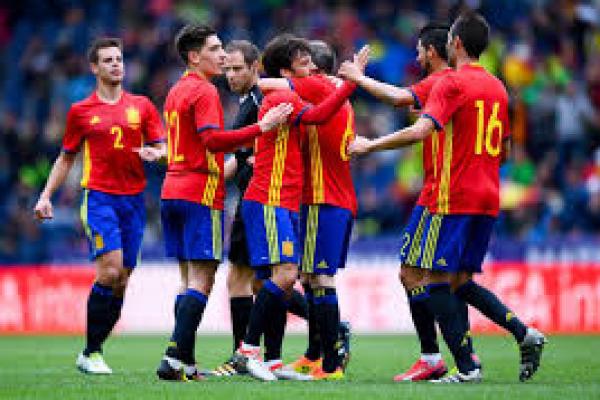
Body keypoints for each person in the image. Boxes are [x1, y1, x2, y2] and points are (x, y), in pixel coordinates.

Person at [349, 12, 546, 383]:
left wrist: (368, 146)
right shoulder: (498, 87)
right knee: (455, 281)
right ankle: (524, 333)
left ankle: (464, 366)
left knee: (433, 277)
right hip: (488, 196)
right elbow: (503, 151)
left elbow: (419, 131)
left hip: (452, 195)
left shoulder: (451, 83)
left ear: (454, 43)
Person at [339, 23, 481, 382]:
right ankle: (459, 352)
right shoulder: (457, 83)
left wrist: (357, 78)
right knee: (437, 276)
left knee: (421, 274)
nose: (416, 56)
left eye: (419, 50)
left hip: (442, 195)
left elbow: (399, 97)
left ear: (433, 51)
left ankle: (442, 356)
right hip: (439, 191)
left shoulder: (443, 81)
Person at [155, 24, 293, 381]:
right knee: (204, 278)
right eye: (215, 50)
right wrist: (262, 129)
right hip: (200, 192)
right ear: (194, 56)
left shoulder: (175, 91)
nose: (222, 55)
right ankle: (174, 357)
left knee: (188, 280)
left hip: (172, 189)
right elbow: (214, 142)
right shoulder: (204, 92)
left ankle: (184, 360)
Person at [33, 37, 166, 375]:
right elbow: (65, 159)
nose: (115, 64)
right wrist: (45, 195)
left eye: (119, 59)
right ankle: (91, 352)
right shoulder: (81, 112)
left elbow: (162, 147)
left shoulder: (143, 106)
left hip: (134, 201)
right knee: (109, 269)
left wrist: (158, 153)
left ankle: (94, 350)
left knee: (122, 278)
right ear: (94, 67)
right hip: (99, 198)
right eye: (107, 60)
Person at [234, 34, 360, 381]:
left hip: (317, 198)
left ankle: (319, 361)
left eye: (308, 63)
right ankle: (298, 357)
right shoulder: (303, 94)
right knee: (299, 278)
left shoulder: (313, 89)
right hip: (298, 199)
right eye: (300, 61)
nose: (305, 70)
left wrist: (350, 82)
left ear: (315, 72)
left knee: (307, 278)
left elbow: (315, 112)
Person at [212, 39, 311, 377]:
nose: (230, 75)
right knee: (258, 279)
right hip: (257, 197)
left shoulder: (261, 99)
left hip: (261, 198)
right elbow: (243, 153)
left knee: (252, 278)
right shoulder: (249, 101)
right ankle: (267, 356)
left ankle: (246, 354)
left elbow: (249, 151)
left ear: (257, 68)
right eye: (227, 69)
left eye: (237, 68)